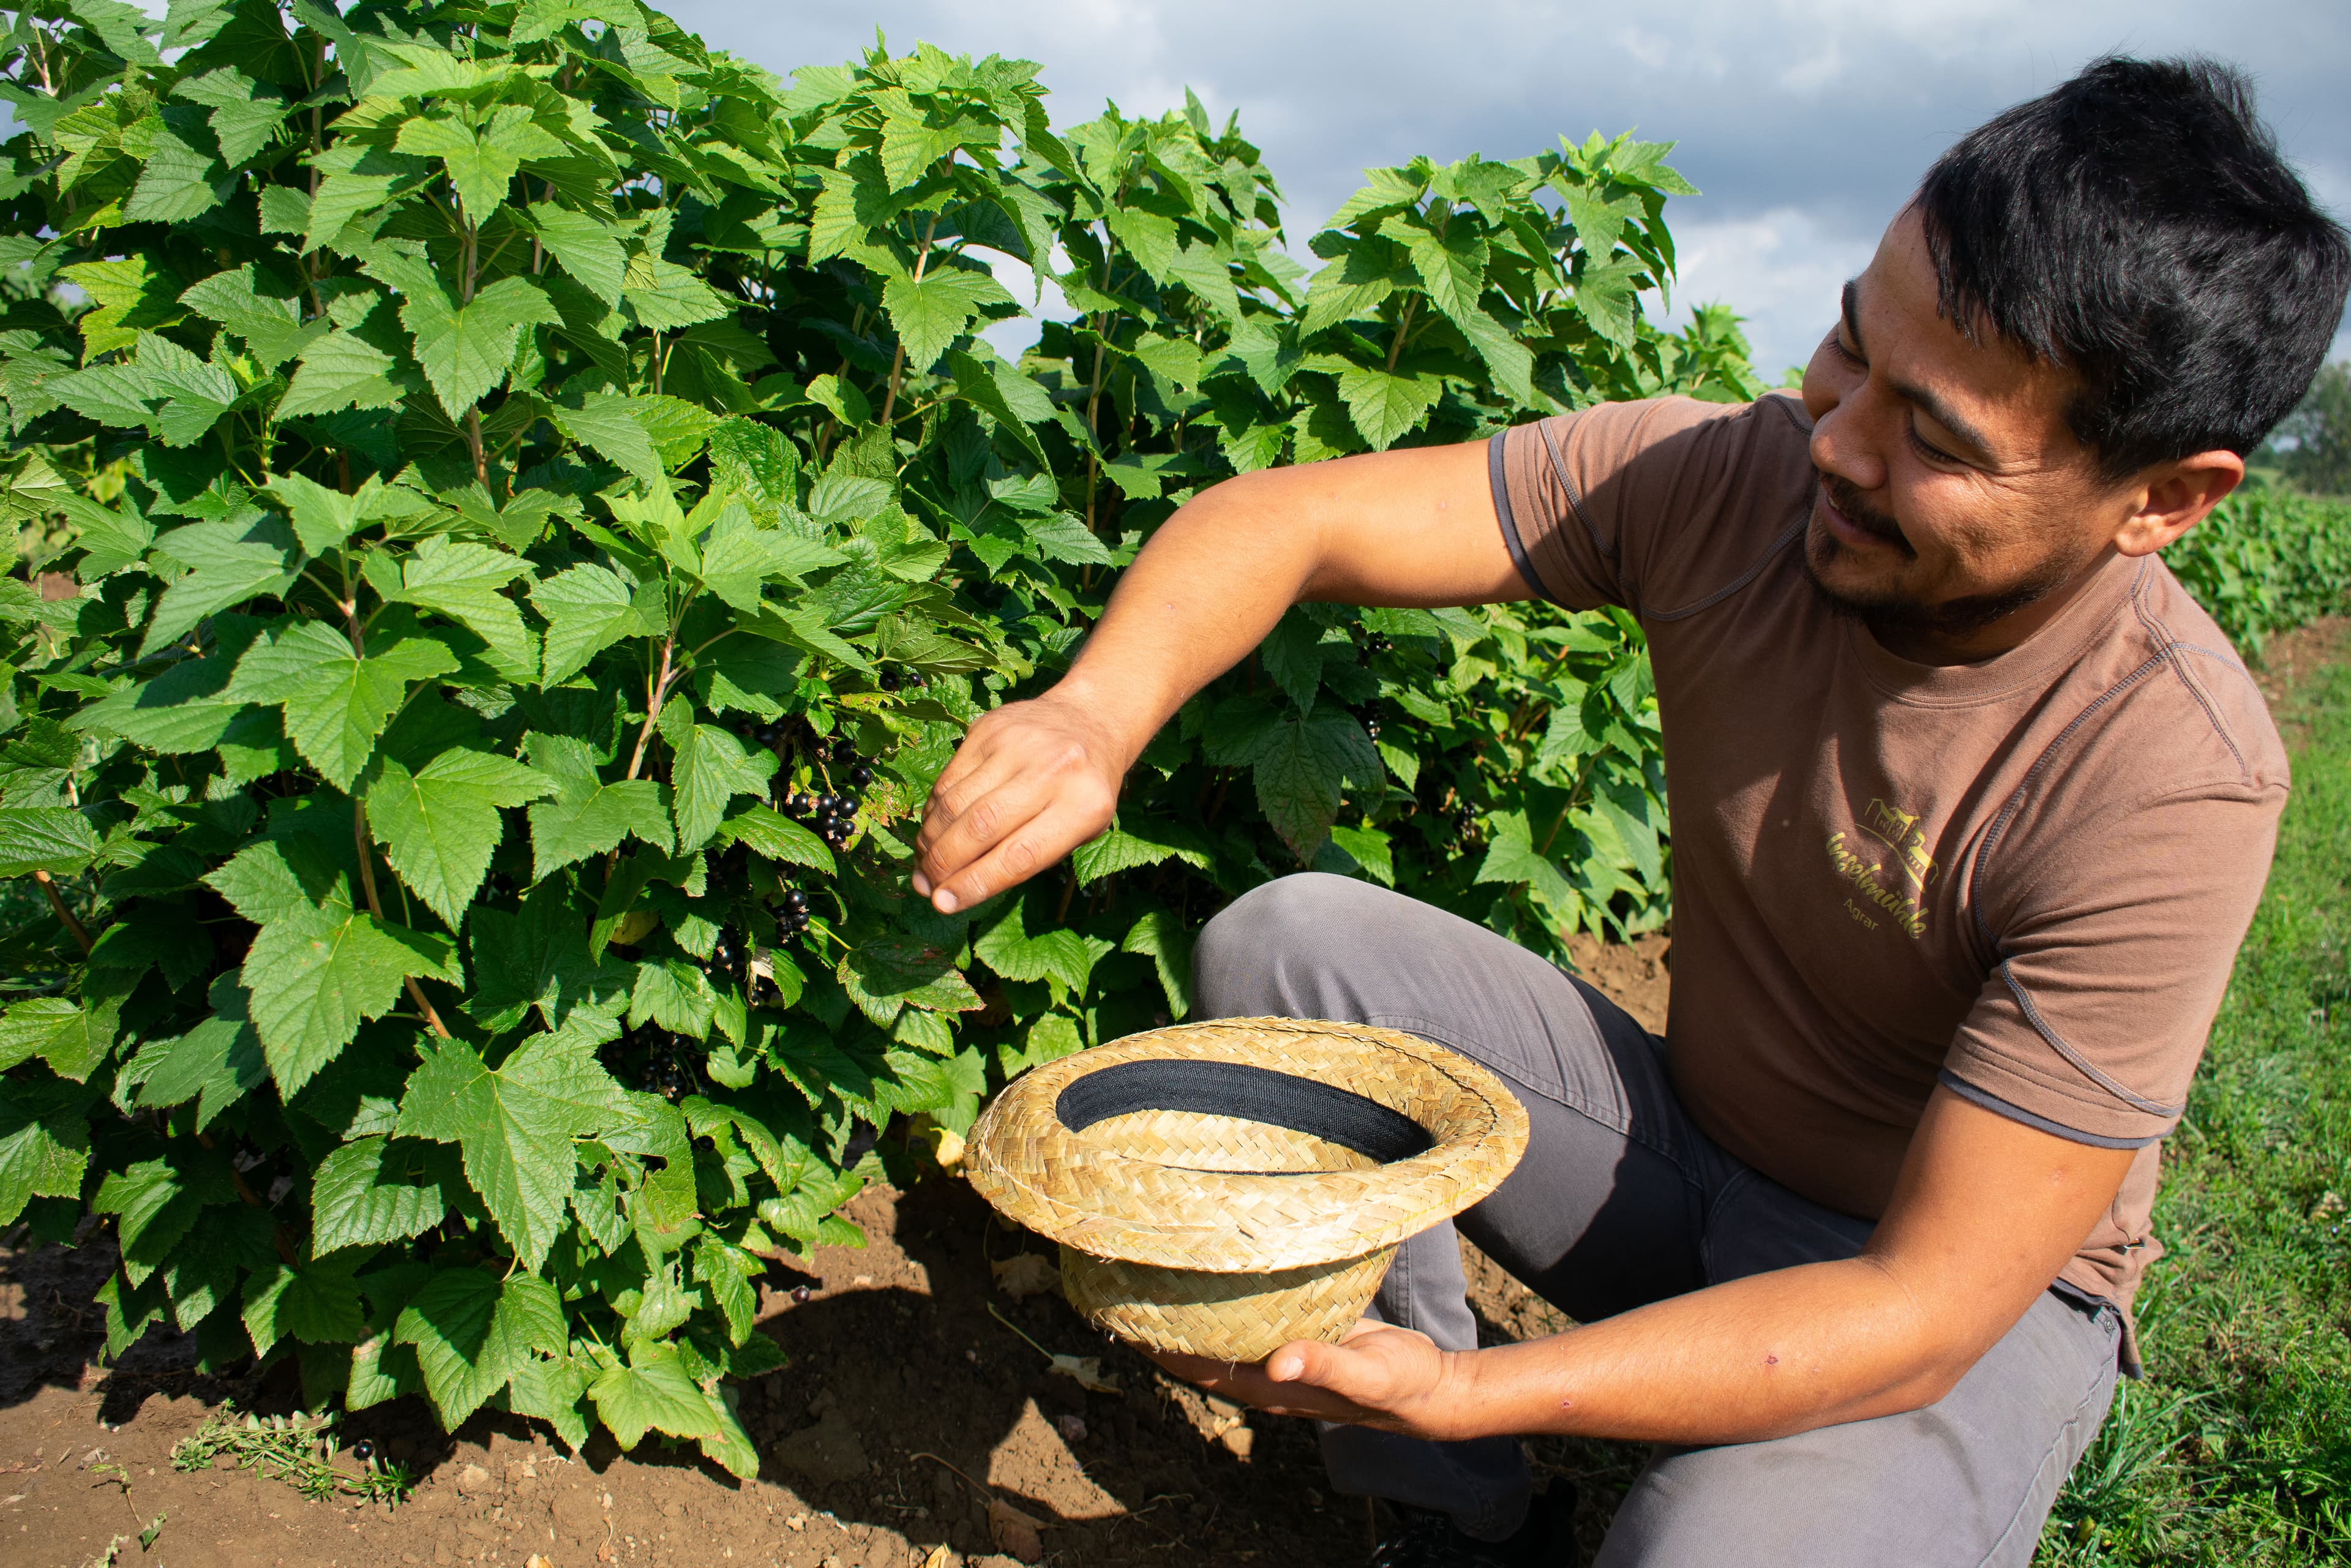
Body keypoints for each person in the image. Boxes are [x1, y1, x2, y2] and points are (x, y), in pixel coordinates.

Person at [909, 56, 2350, 1568]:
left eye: (1936, 442)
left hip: (1935, 1300)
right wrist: (1091, 714)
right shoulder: (1728, 483)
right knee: (1295, 950)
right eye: (1848, 348)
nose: (1839, 442)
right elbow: (1299, 516)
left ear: (2165, 500)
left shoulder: (2166, 777)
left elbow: (1916, 1314)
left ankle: (1495, 1436)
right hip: (1678, 1163)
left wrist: (1479, 1389)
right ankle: (1455, 1527)